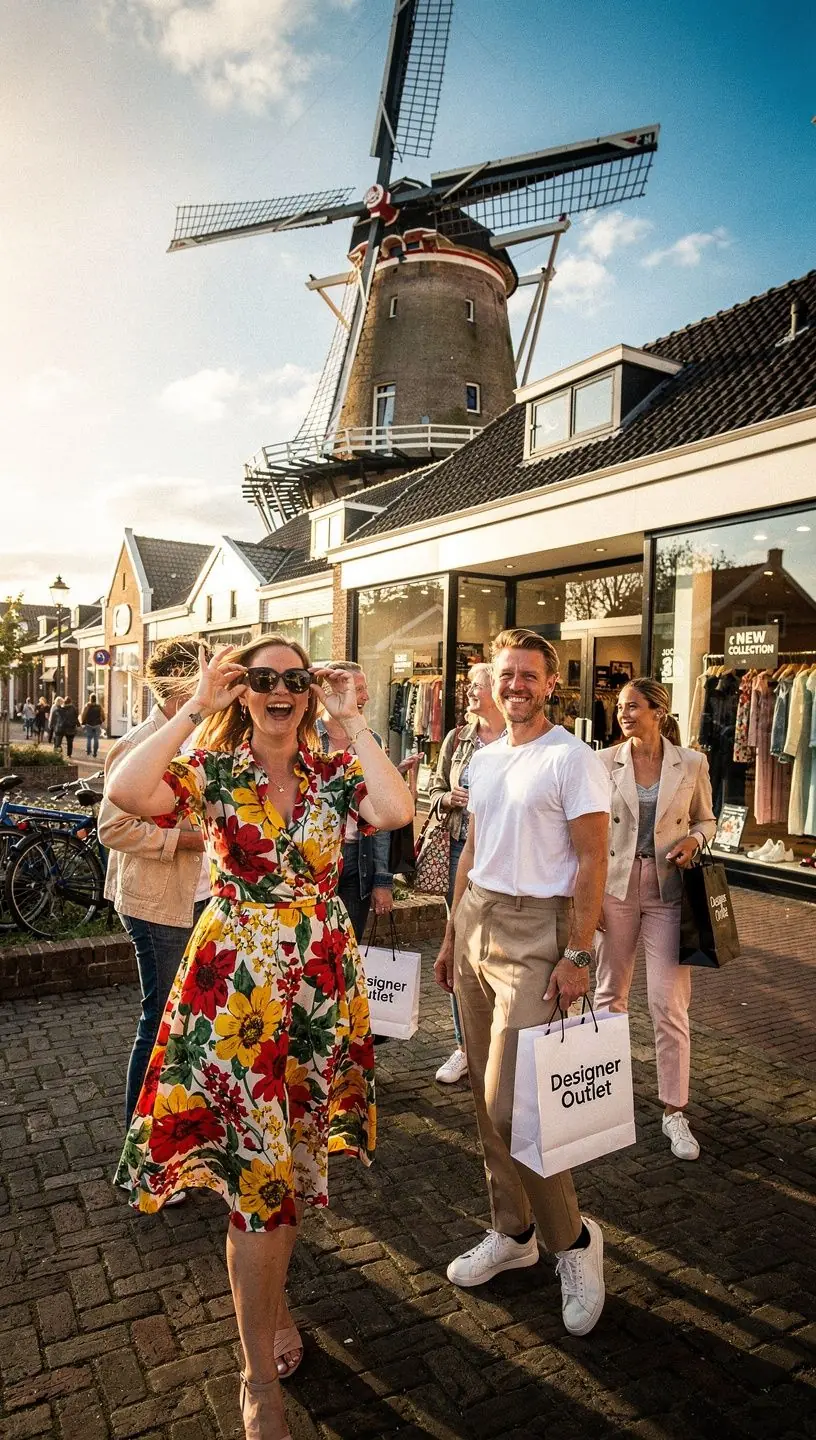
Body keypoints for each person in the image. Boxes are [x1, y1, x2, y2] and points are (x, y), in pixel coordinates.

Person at [109, 635, 414, 1440]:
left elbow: (395, 810)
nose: (279, 690)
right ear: (244, 692)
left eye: (295, 679)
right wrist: (193, 707)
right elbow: (126, 790)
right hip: (233, 996)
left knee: (290, 1166)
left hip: (314, 998)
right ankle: (257, 1382)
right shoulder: (215, 771)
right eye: (262, 679)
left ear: (310, 692)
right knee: (258, 1182)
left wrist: (352, 723)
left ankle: (270, 1310)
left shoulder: (331, 772)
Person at [434, 628, 610, 1336]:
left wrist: (580, 954)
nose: (516, 686)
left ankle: (574, 1242)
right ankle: (512, 1233)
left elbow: (593, 862)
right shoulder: (483, 757)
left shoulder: (573, 760)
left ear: (551, 683)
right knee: (482, 1095)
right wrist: (451, 934)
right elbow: (474, 848)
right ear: (492, 682)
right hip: (477, 917)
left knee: (519, 1107)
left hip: (539, 931)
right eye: (507, 675)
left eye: (529, 676)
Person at [594, 678, 716, 1161]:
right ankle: (603, 1096)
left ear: (658, 712)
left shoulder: (692, 763)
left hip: (669, 890)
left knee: (669, 1003)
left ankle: (674, 1110)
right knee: (609, 995)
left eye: (634, 707)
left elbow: (707, 820)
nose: (624, 714)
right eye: (620, 707)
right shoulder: (603, 761)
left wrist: (696, 841)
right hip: (615, 889)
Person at [98, 637, 213, 1132]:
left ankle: (184, 1129)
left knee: (195, 1019)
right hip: (157, 904)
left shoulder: (209, 740)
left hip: (207, 899)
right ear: (180, 687)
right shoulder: (139, 744)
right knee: (161, 1019)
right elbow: (113, 828)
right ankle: (141, 1140)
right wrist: (185, 841)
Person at [428, 662, 505, 1085]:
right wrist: (448, 798)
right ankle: (463, 1046)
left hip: (506, 857)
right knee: (458, 946)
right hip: (464, 848)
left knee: (499, 952)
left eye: (477, 686)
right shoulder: (458, 739)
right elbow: (434, 788)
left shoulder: (518, 740)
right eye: (469, 686)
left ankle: (497, 1041)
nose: (470, 693)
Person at [315, 661, 395, 943]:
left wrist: (382, 880)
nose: (365, 697)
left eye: (363, 690)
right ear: (332, 692)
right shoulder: (305, 736)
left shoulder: (370, 740)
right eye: (358, 689)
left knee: (348, 948)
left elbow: (381, 817)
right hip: (313, 860)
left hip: (356, 858)